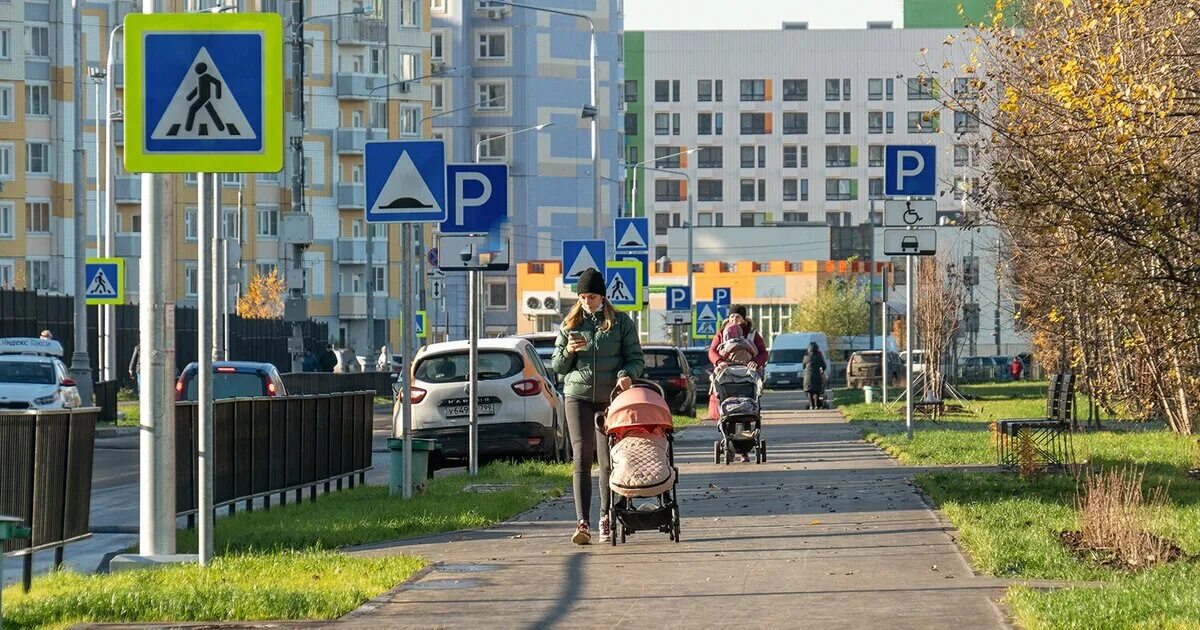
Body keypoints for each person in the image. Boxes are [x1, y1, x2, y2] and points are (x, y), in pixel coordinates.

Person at [551, 268, 644, 545]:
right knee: (581, 457)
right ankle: (582, 522)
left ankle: (605, 516)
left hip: (610, 398)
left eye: (591, 296)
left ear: (602, 296)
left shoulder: (620, 322)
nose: (586, 301)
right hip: (576, 396)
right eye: (582, 296)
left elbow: (636, 358)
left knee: (606, 461)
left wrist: (627, 375)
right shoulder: (570, 324)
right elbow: (557, 367)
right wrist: (568, 351)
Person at [707, 305, 768, 460]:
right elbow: (712, 351)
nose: (735, 319)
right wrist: (719, 361)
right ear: (728, 318)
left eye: (738, 317)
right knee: (728, 411)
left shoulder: (752, 335)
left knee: (746, 411)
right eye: (732, 317)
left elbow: (763, 353)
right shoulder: (721, 334)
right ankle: (730, 444)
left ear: (744, 319)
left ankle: (744, 450)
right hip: (727, 377)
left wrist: (755, 362)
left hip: (747, 377)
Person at [803, 342, 827, 410]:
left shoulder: (806, 356)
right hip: (817, 376)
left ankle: (811, 405)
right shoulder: (819, 357)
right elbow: (824, 366)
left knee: (810, 391)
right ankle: (816, 405)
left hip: (808, 377)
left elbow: (803, 366)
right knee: (817, 391)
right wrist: (821, 369)